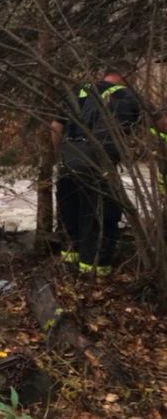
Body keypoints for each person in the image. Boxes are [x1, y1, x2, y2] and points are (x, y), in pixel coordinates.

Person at [51, 68, 141, 276]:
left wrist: (62, 156)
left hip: (68, 162)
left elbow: (56, 126)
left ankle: (69, 268)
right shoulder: (125, 95)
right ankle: (96, 273)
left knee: (70, 216)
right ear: (126, 77)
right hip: (98, 164)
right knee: (102, 218)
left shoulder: (78, 91)